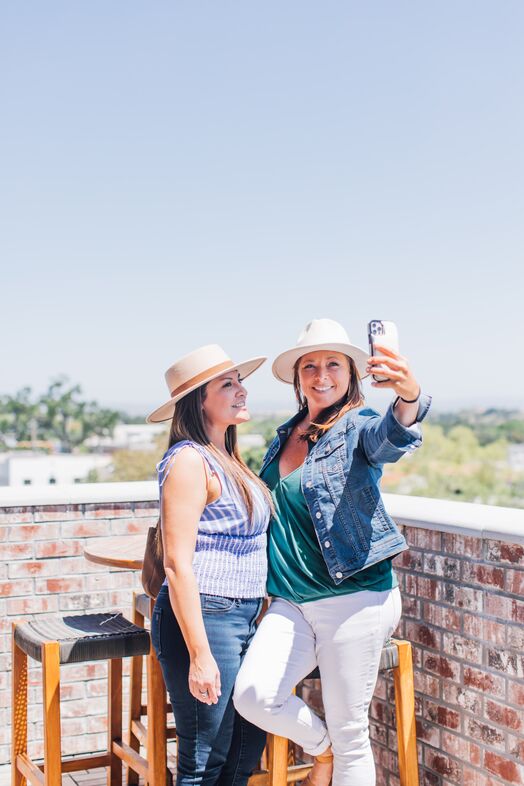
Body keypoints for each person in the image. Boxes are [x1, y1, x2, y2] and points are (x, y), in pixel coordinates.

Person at [234, 319, 431, 786]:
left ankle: (335, 750)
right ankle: (322, 751)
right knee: (254, 696)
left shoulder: (357, 425)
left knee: (351, 736)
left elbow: (392, 436)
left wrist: (408, 395)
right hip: (291, 601)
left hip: (353, 597)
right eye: (310, 367)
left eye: (333, 365)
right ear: (298, 377)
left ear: (351, 373)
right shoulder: (286, 434)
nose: (321, 375)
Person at [146, 344, 273, 786]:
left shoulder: (228, 458)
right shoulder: (187, 460)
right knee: (204, 761)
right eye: (228, 384)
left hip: (243, 615)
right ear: (199, 400)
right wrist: (199, 654)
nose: (242, 391)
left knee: (243, 749)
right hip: (207, 616)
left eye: (240, 381)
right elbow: (177, 563)